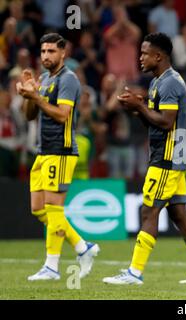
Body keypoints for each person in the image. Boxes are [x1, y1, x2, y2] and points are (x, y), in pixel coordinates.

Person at [103, 33, 186, 285]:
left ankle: (134, 272)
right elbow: (154, 123)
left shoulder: (169, 83)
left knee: (149, 210)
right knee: (179, 214)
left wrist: (141, 106)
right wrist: (137, 108)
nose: (140, 58)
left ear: (159, 56)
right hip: (168, 155)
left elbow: (166, 123)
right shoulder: (159, 82)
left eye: (145, 53)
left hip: (167, 157)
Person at [16, 33, 99, 281]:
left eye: (51, 51)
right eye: (43, 51)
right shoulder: (45, 78)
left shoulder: (69, 80)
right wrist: (30, 94)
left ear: (63, 53)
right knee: (38, 209)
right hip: (43, 151)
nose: (45, 56)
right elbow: (30, 115)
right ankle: (83, 247)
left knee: (54, 210)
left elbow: (63, 115)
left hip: (61, 152)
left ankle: (51, 267)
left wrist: (37, 97)